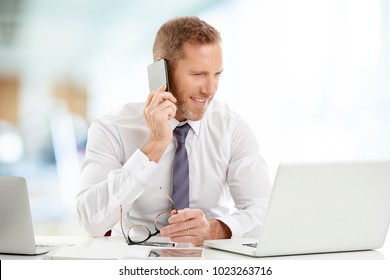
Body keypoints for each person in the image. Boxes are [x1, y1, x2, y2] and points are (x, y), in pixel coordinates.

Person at [77, 16, 271, 246]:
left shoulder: (230, 127)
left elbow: (265, 212)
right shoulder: (112, 128)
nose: (210, 89)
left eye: (217, 74)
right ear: (163, 69)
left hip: (208, 261)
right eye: (198, 74)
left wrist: (214, 229)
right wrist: (155, 145)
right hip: (134, 262)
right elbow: (91, 222)